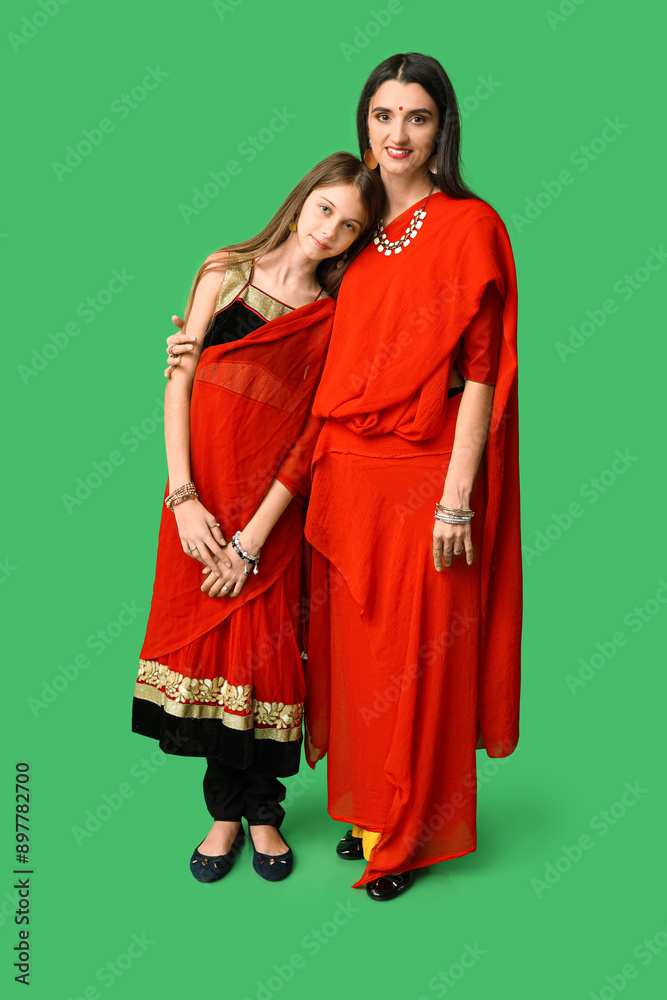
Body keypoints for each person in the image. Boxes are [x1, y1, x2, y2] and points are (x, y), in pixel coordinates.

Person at [167, 52, 522, 902]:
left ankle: (410, 838)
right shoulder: (350, 243)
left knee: (420, 659)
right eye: (382, 114)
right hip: (339, 479)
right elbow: (294, 351)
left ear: (442, 130)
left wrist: (456, 498)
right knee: (358, 661)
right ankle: (368, 811)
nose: (397, 133)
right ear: (364, 123)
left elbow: (481, 371)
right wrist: (198, 352)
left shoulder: (469, 224)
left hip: (424, 475)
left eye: (417, 117)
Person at [132, 152, 383, 884]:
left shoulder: (333, 314)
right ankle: (223, 815)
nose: (329, 230)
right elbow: (179, 383)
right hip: (198, 501)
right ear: (302, 199)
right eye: (325, 208)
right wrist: (184, 499)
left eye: (350, 226)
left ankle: (265, 813)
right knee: (212, 657)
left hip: (270, 515)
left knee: (267, 659)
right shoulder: (225, 271)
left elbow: (310, 436)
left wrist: (251, 540)